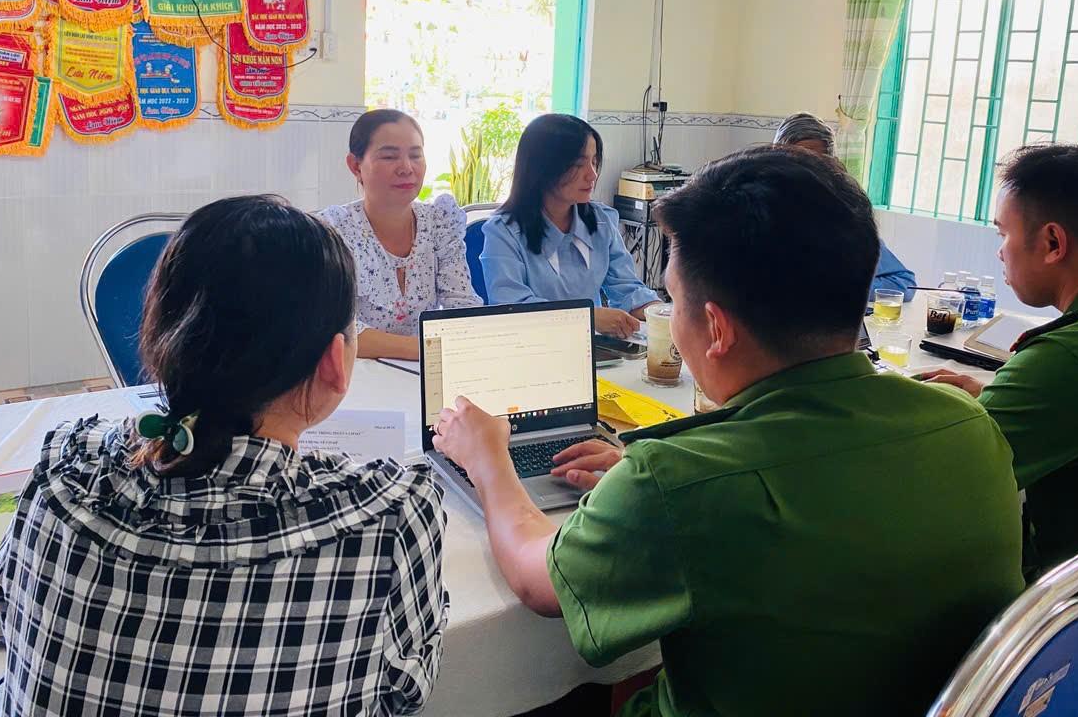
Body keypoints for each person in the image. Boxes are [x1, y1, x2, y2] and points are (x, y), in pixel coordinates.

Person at [437, 147, 1025, 716]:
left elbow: (538, 580)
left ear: (715, 328)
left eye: (672, 299)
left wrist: (488, 458)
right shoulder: (969, 424)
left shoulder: (673, 483)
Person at [0, 196, 448, 717]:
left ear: (160, 333)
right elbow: (405, 692)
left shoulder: (65, 467)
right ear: (335, 363)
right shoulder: (389, 517)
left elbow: (8, 603)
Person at [918, 144, 1078, 717]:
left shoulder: (1070, 360)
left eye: (1003, 233)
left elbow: (944, 480)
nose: (1000, 251)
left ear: (1053, 242)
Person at [320, 109, 482, 360]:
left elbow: (462, 306)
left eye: (415, 155)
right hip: (356, 372)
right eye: (389, 156)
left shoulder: (440, 223)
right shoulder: (334, 231)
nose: (407, 168)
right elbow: (337, 329)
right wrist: (429, 349)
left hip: (424, 371)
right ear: (355, 165)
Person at [481, 114, 659, 338]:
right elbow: (512, 309)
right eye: (578, 164)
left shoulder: (602, 220)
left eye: (594, 162)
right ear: (543, 167)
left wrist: (662, 312)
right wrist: (588, 317)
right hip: (530, 348)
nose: (592, 175)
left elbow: (628, 290)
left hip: (590, 348)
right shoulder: (503, 232)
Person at [773, 112, 917, 300]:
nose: (808, 172)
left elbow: (902, 283)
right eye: (798, 160)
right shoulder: (757, 207)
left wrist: (841, 290)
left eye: (817, 161)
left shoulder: (843, 212)